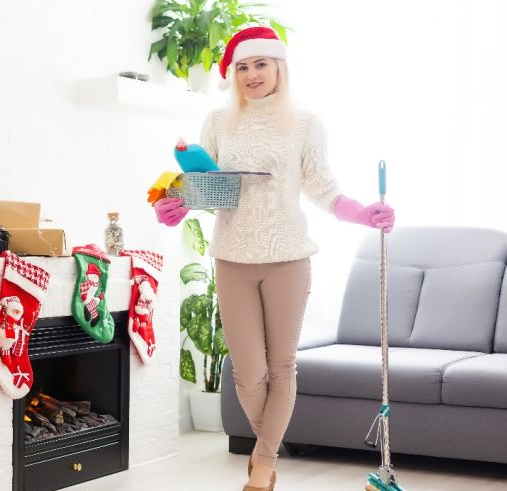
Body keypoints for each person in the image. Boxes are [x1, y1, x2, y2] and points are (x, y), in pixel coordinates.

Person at [154, 26, 395, 491]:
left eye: (260, 64)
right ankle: (268, 451)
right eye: (242, 67)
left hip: (288, 259)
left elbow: (323, 188)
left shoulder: (305, 123)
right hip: (231, 259)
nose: (251, 75)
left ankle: (263, 464)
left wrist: (363, 213)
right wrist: (178, 203)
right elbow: (212, 188)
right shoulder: (218, 122)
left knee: (282, 367)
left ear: (279, 67)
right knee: (248, 372)